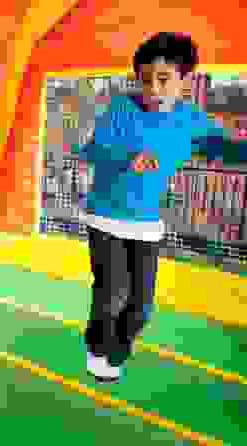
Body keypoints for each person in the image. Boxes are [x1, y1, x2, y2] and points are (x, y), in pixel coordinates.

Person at [77, 32, 247, 383]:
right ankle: (96, 347)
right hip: (105, 216)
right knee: (111, 294)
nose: (153, 89)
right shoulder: (122, 108)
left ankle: (117, 351)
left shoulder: (190, 119)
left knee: (140, 308)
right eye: (145, 80)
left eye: (164, 79)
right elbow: (92, 151)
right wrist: (128, 158)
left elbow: (226, 149)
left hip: (145, 224)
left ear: (184, 79)